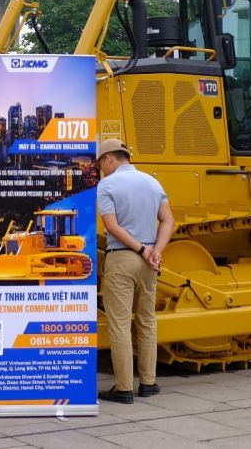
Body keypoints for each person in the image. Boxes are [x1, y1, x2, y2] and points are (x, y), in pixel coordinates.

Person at [95, 138, 172, 405]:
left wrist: (140, 249)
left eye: (100, 164)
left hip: (124, 258)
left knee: (119, 325)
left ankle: (124, 388)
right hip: (151, 261)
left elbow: (112, 227)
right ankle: (148, 383)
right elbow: (167, 220)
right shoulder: (153, 182)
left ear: (108, 159)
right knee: (147, 320)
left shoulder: (107, 185)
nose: (101, 169)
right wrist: (155, 251)